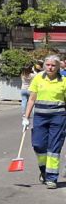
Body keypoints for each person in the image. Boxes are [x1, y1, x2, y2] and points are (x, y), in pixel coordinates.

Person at [23, 55, 66, 188]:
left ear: (58, 67)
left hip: (58, 118)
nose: (50, 67)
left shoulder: (63, 81)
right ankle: (44, 171)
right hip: (40, 117)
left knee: (54, 148)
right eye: (48, 65)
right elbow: (31, 99)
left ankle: (52, 178)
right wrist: (26, 117)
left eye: (53, 65)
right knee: (38, 145)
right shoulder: (38, 78)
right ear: (44, 66)